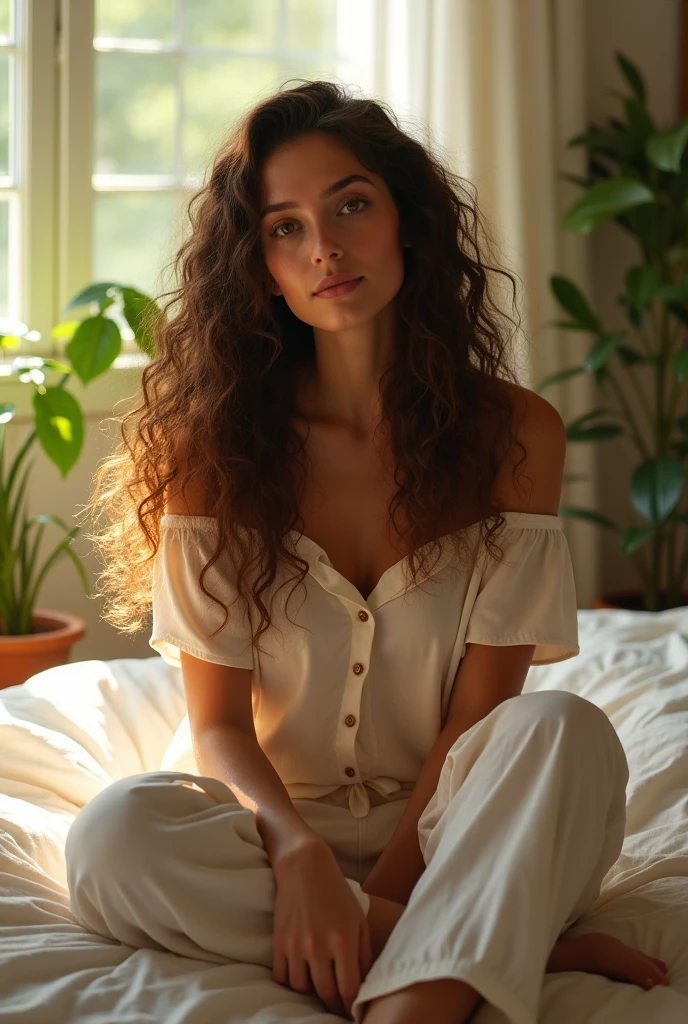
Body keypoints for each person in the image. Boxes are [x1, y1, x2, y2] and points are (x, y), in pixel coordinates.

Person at [68, 80, 670, 1024]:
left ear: (408, 222)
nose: (326, 249)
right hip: (266, 833)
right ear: (260, 266)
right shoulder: (211, 450)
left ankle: (417, 989)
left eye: (351, 205)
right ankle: (484, 945)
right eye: (285, 228)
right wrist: (300, 854)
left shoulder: (516, 435)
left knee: (565, 731)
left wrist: (396, 880)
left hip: (465, 821)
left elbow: (483, 715)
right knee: (112, 840)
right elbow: (219, 725)